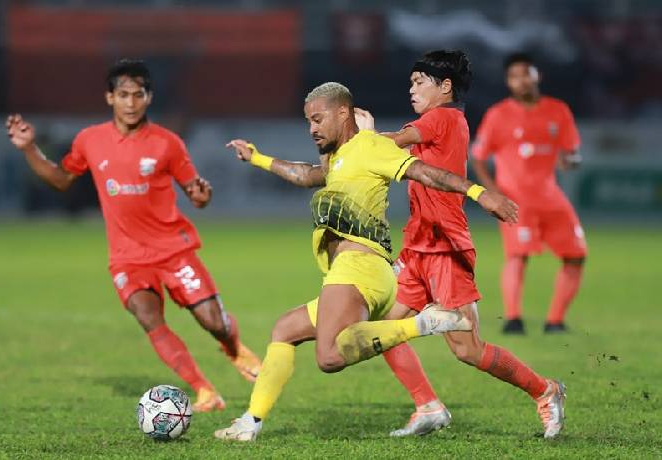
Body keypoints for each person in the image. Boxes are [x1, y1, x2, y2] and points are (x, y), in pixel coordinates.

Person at [213, 81, 519, 441]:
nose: (312, 128)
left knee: (328, 358)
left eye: (317, 119)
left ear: (343, 112)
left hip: (359, 268)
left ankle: (423, 324)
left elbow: (425, 172)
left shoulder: (370, 147)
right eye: (308, 122)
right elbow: (307, 175)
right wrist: (258, 157)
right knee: (285, 330)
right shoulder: (339, 158)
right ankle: (250, 422)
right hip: (353, 271)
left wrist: (479, 192)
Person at [5, 58, 261, 412]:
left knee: (213, 322)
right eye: (123, 95)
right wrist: (28, 148)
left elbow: (196, 193)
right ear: (109, 97)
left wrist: (203, 195)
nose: (130, 102)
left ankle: (233, 348)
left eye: (137, 94)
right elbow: (61, 179)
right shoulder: (90, 140)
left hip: (174, 250)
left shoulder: (167, 143)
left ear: (148, 97)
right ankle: (204, 390)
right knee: (148, 316)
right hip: (127, 257)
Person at [355, 50, 567, 439]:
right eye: (410, 82)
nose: (411, 88)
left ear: (445, 86)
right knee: (382, 331)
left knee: (468, 350)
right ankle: (428, 406)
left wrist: (360, 134)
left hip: (445, 248)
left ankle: (546, 390)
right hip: (417, 246)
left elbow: (390, 144)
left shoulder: (443, 118)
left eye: (420, 81)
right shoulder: (434, 122)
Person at [471, 52, 586, 334]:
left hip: (551, 197)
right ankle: (513, 319)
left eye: (525, 74)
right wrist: (493, 191)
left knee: (576, 255)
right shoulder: (498, 115)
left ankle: (555, 321)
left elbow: (572, 154)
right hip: (515, 199)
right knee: (518, 255)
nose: (520, 81)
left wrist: (570, 161)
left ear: (537, 75)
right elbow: (478, 157)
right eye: (514, 76)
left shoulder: (558, 111)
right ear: (508, 82)